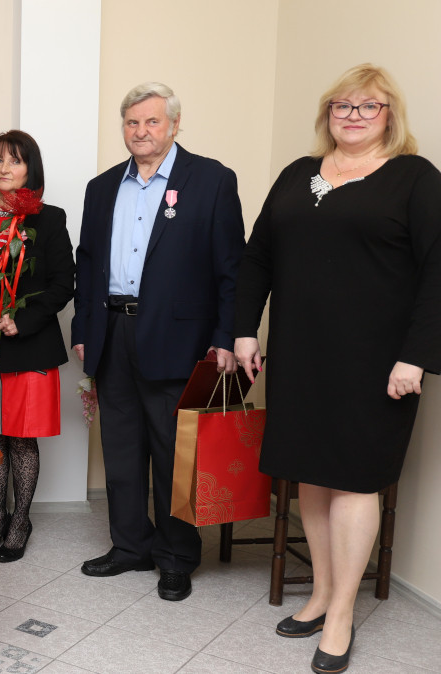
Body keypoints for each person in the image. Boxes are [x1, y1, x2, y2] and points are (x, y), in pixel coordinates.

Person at [234, 64, 441, 674]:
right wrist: (246, 329)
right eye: (342, 107)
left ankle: (343, 613)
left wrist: (419, 356)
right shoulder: (299, 174)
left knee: (355, 479)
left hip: (378, 362)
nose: (353, 116)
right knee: (312, 478)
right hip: (301, 352)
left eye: (368, 107)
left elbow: (439, 273)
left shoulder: (415, 178)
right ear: (328, 114)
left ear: (390, 115)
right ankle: (321, 594)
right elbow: (258, 257)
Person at [71, 82, 244, 601]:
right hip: (111, 331)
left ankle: (175, 557)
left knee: (173, 454)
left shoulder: (211, 180)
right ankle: (130, 547)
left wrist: (222, 340)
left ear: (173, 125)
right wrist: (83, 330)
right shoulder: (102, 187)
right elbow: (87, 265)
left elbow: (230, 270)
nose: (140, 131)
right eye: (131, 123)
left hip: (179, 338)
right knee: (121, 449)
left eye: (151, 121)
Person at [0, 130, 74, 562]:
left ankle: (20, 520)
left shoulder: (50, 219)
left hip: (26, 344)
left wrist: (22, 320)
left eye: (15, 160)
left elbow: (64, 284)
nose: (5, 168)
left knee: (21, 438)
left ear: (31, 169)